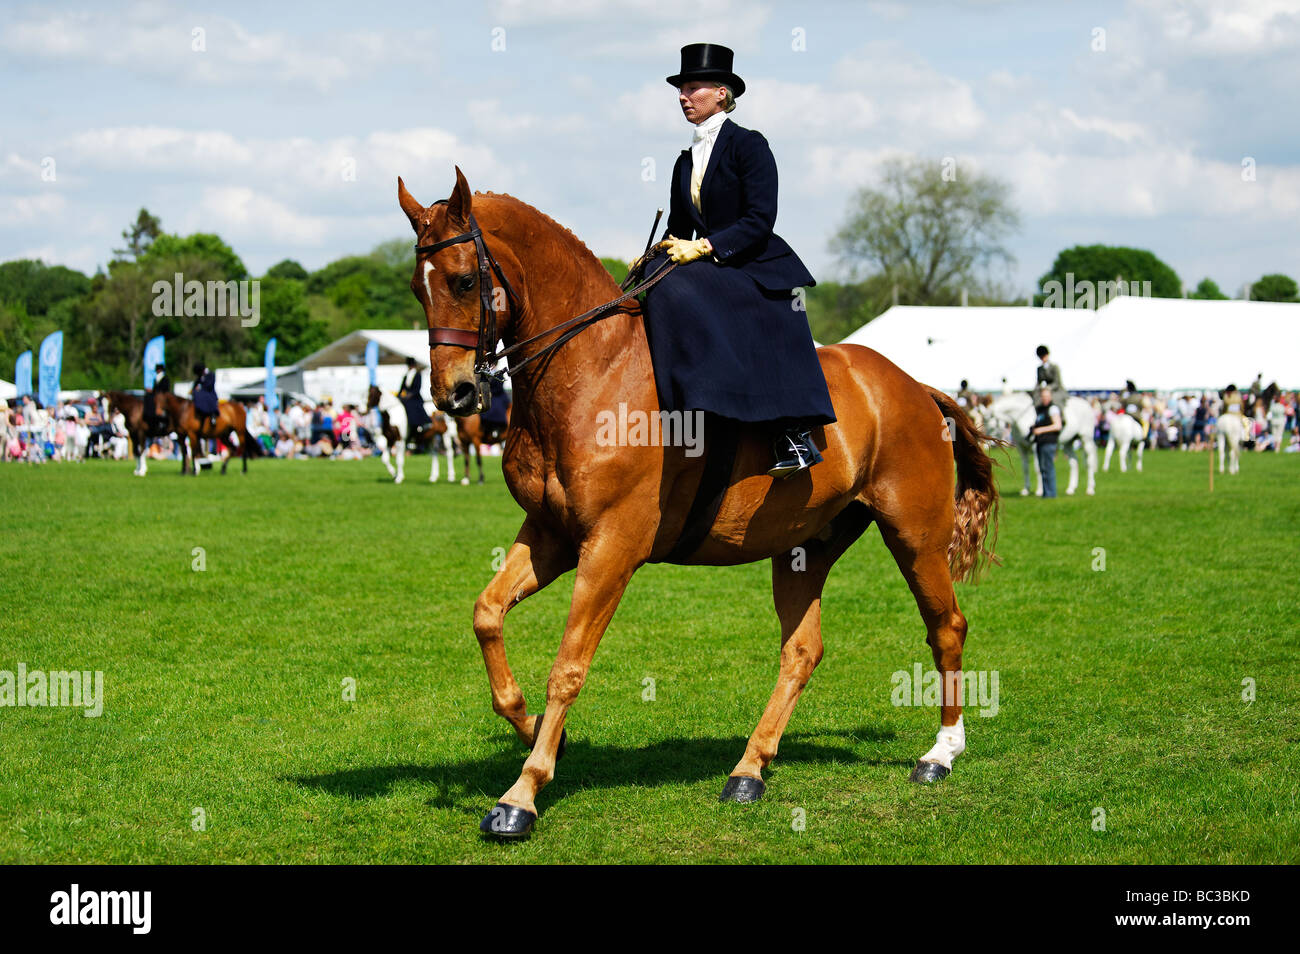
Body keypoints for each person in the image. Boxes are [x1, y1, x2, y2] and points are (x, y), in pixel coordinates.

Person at [636, 43, 835, 478]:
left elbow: (760, 218)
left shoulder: (749, 145)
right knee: (654, 280)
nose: (683, 96)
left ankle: (792, 435)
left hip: (754, 261)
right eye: (681, 89)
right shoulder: (684, 160)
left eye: (693, 88)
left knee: (688, 289)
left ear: (721, 94)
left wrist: (705, 248)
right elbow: (678, 230)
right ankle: (680, 407)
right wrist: (652, 257)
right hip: (710, 264)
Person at [1029, 385, 1062, 498]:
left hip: (1049, 441)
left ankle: (1051, 494)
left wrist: (1041, 430)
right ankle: (1046, 493)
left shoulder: (1053, 409)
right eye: (1043, 396)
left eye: (1047, 396)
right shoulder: (1040, 409)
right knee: (1042, 468)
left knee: (1048, 468)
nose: (1045, 398)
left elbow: (1057, 425)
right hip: (1040, 442)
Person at [398, 358, 433, 437]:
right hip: (406, 397)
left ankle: (422, 423)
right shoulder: (406, 376)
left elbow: (417, 388)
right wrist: (399, 395)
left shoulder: (418, 375)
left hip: (415, 396)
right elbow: (402, 387)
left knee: (414, 405)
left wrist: (409, 395)